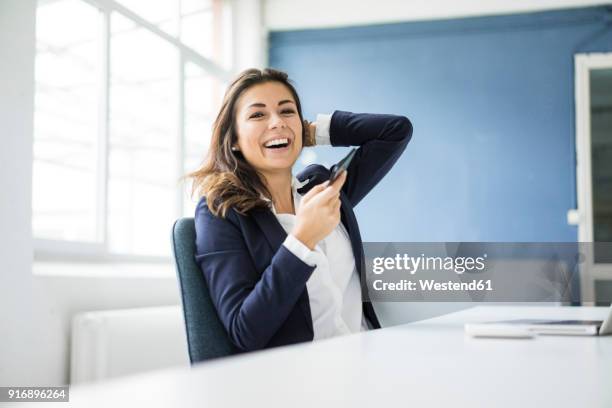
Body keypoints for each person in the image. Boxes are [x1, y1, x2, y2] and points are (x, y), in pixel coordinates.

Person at [188, 68, 412, 352]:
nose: (277, 122)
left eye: (287, 111)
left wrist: (311, 132)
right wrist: (302, 239)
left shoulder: (321, 187)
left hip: (367, 356)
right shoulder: (220, 212)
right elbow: (245, 332)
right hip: (305, 377)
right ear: (233, 139)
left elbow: (395, 131)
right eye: (258, 115)